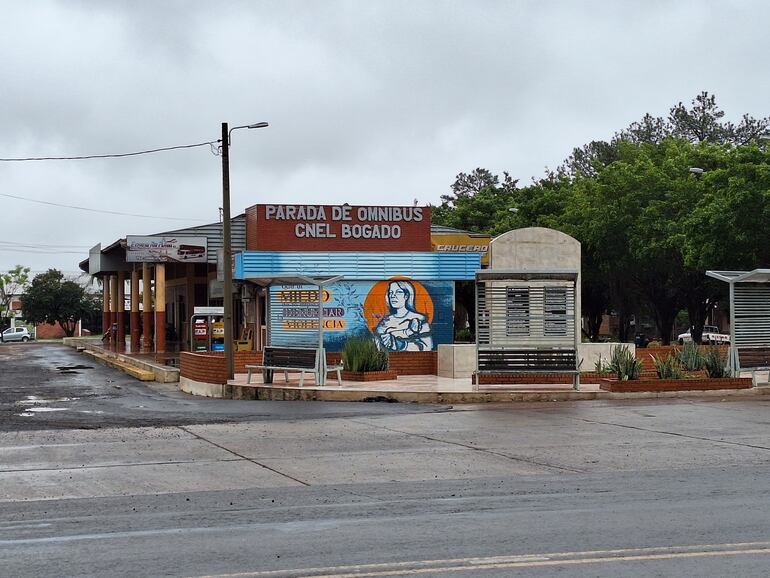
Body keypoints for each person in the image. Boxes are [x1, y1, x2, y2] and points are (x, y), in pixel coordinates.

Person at [375, 280, 433, 351]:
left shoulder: (419, 319)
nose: (393, 296)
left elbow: (427, 347)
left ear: (406, 296)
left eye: (398, 292)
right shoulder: (385, 321)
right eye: (390, 293)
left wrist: (401, 344)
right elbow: (377, 343)